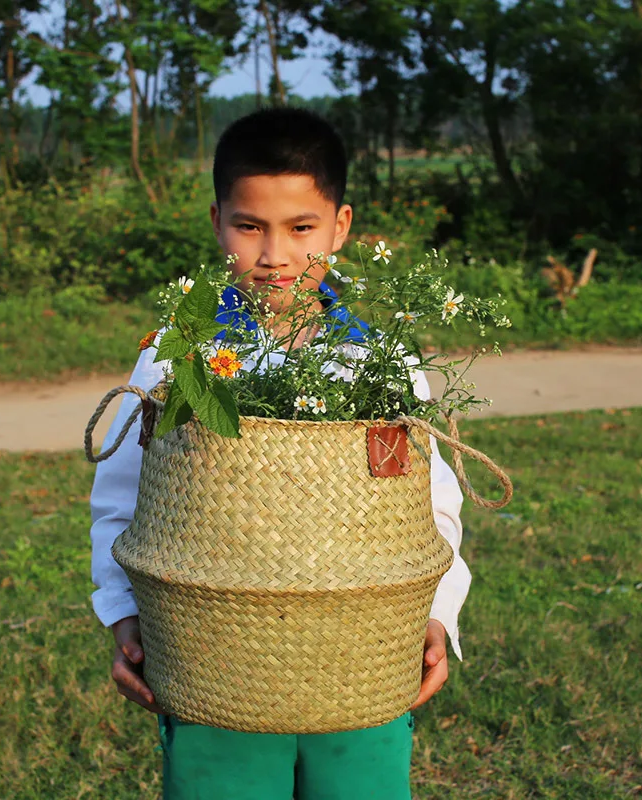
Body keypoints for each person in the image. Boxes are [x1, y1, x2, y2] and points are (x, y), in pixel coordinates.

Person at [89, 107, 471, 800]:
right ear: (216, 221)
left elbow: (431, 503)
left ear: (341, 225)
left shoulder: (379, 362)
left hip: (361, 663)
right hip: (213, 664)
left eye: (302, 228)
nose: (275, 255)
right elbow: (122, 496)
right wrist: (123, 614)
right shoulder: (176, 356)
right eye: (249, 226)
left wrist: (437, 613)